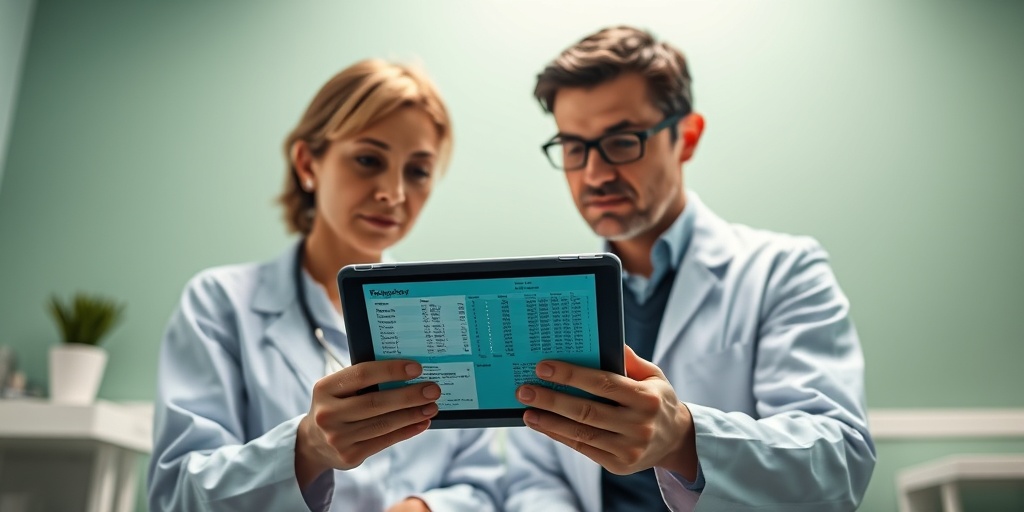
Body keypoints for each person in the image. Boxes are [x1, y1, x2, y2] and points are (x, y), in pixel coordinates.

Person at [504, 26, 876, 512]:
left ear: (687, 137)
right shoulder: (546, 296)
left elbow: (838, 463)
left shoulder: (784, 271)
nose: (594, 174)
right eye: (574, 147)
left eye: (621, 141)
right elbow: (535, 476)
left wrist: (683, 439)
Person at [148, 60, 502, 512]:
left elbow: (484, 487)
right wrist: (306, 448)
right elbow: (176, 496)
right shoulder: (219, 303)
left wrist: (425, 509)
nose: (393, 193)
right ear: (307, 163)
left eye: (417, 171)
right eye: (368, 160)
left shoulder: (451, 313)